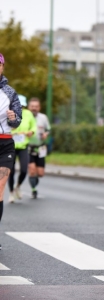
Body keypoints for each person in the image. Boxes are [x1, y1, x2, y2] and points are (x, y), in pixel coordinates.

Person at [0, 53, 22, 249]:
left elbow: (17, 122)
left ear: (2, 67)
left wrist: (13, 117)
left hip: (5, 144)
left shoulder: (10, 92)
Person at [8, 95, 37, 203]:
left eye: (22, 105)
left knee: (24, 170)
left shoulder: (28, 114)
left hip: (24, 146)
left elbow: (33, 126)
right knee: (11, 171)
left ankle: (18, 186)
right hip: (10, 146)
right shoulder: (9, 112)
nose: (20, 107)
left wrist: (31, 132)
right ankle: (11, 193)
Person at [27, 98, 51, 199]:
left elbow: (48, 129)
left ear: (39, 107)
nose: (34, 108)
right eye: (32, 106)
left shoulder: (43, 118)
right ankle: (33, 189)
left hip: (40, 147)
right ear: (29, 107)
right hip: (28, 147)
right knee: (32, 170)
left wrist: (46, 134)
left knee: (40, 173)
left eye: (36, 107)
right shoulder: (25, 117)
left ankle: (34, 179)